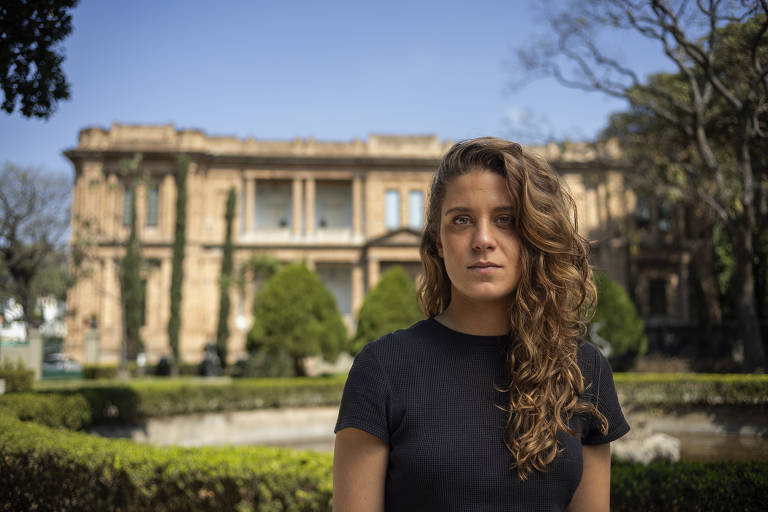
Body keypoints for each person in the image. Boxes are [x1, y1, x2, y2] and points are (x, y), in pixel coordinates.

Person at [333, 137, 630, 511]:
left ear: (533, 234)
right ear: (439, 242)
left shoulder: (583, 370)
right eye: (461, 220)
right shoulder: (383, 369)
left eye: (505, 220)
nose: (483, 240)